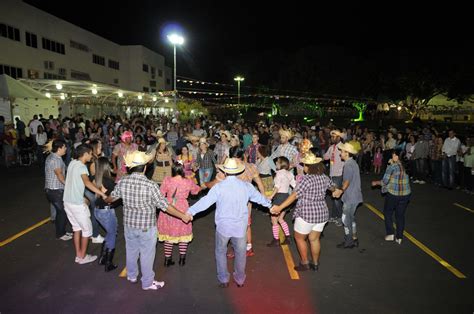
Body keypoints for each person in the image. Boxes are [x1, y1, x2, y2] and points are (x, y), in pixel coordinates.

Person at [108, 151, 192, 290]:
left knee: (131, 249)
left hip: (129, 224)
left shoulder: (123, 181)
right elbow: (165, 206)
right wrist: (182, 215)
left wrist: (103, 198)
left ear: (130, 167)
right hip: (146, 226)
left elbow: (112, 198)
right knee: (147, 253)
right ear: (145, 167)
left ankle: (132, 275)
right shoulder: (150, 185)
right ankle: (147, 282)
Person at [187, 158, 272, 287]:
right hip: (240, 227)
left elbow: (205, 202)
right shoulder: (246, 186)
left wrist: (190, 212)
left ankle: (223, 279)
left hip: (223, 227)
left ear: (225, 172)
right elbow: (260, 199)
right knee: (240, 254)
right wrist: (270, 205)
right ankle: (240, 279)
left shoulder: (219, 187)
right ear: (238, 172)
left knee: (220, 251)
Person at [271, 153, 337, 271]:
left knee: (300, 238)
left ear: (309, 166)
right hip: (321, 213)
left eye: (305, 165)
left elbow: (294, 195)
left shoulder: (305, 180)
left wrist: (280, 207)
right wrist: (336, 191)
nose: (304, 167)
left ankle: (304, 262)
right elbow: (333, 188)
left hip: (306, 213)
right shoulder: (324, 177)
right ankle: (315, 264)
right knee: (314, 239)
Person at [63, 144, 108, 264]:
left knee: (76, 229)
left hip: (67, 202)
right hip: (77, 204)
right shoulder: (82, 167)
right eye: (90, 153)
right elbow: (87, 182)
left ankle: (79, 254)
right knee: (87, 231)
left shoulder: (72, 163)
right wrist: (102, 194)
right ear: (85, 154)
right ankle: (82, 257)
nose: (91, 155)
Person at [158, 162, 201, 267]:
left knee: (168, 234)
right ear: (183, 170)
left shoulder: (167, 180)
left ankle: (167, 260)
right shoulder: (188, 181)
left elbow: (161, 194)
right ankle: (182, 260)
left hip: (168, 207)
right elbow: (196, 191)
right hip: (182, 208)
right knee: (183, 234)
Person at [372, 149, 411, 244]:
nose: (391, 157)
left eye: (393, 155)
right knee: (400, 215)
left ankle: (390, 234)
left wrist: (375, 182)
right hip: (405, 194)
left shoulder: (392, 167)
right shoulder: (406, 166)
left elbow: (385, 181)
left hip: (393, 194)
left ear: (397, 157)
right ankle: (399, 237)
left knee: (388, 212)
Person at [93, 157, 122, 271]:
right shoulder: (109, 181)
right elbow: (112, 198)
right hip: (106, 211)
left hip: (97, 210)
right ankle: (108, 263)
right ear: (106, 166)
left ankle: (103, 258)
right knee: (112, 234)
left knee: (109, 233)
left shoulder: (95, 179)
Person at [333, 141, 363, 249]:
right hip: (354, 196)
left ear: (346, 153)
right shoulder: (353, 163)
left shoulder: (348, 165)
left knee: (345, 219)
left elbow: (346, 182)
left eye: (341, 151)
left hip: (350, 197)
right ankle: (354, 238)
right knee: (351, 218)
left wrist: (340, 190)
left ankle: (348, 241)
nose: (340, 153)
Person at [44, 139, 71, 240]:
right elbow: (59, 175)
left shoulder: (54, 156)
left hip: (53, 189)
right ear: (59, 148)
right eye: (64, 147)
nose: (66, 149)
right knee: (62, 212)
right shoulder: (55, 160)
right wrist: (69, 185)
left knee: (61, 212)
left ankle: (62, 232)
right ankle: (60, 234)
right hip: (54, 190)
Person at [267, 156, 296, 247]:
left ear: (281, 164)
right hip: (286, 197)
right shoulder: (289, 174)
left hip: (279, 197)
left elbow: (277, 187)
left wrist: (271, 196)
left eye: (277, 162)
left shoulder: (279, 173)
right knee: (281, 219)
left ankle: (276, 240)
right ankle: (288, 237)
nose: (276, 164)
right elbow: (295, 186)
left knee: (274, 220)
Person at [323, 130, 345, 226]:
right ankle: (334, 215)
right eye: (331, 137)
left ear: (339, 138)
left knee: (336, 197)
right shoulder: (332, 147)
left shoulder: (342, 148)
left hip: (338, 174)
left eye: (334, 137)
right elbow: (325, 157)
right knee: (334, 196)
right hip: (332, 174)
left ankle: (340, 217)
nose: (332, 138)